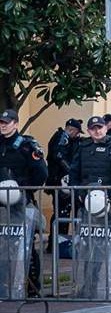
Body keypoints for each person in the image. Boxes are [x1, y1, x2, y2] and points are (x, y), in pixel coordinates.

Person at [69, 115, 111, 299]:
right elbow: (74, 173)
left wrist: (106, 193)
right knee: (89, 246)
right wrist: (80, 194)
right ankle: (89, 286)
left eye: (100, 127)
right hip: (88, 203)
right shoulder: (83, 147)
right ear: (88, 130)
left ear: (106, 128)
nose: (97, 131)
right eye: (93, 128)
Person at [0, 109, 48, 297]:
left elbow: (41, 173)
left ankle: (32, 286)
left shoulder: (27, 146)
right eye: (2, 122)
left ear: (16, 124)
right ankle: (4, 285)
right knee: (4, 245)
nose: (3, 125)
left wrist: (25, 189)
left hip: (21, 202)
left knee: (24, 243)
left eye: (7, 122)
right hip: (1, 205)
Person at [46, 118, 82, 242]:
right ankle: (57, 244)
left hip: (67, 182)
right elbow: (58, 157)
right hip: (60, 182)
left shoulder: (70, 140)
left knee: (68, 213)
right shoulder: (61, 138)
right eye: (76, 132)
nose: (77, 135)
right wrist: (71, 172)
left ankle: (62, 244)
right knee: (61, 213)